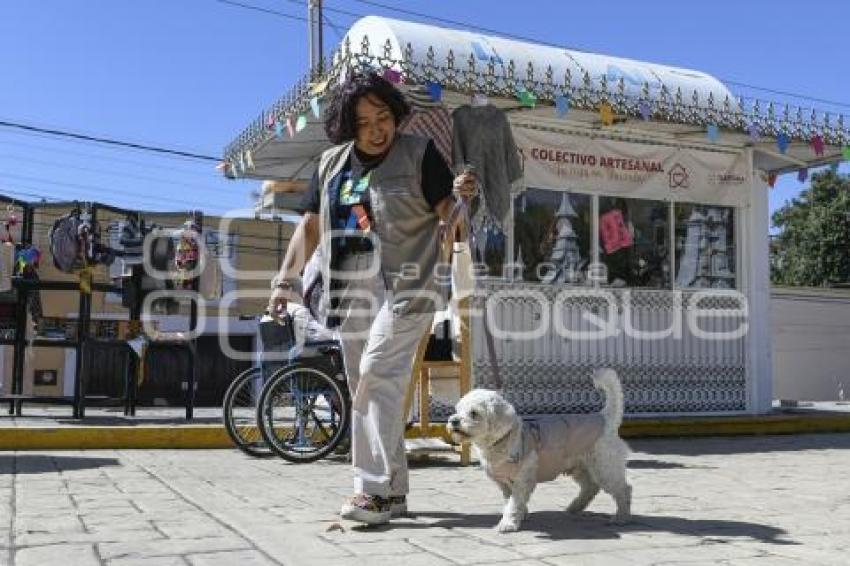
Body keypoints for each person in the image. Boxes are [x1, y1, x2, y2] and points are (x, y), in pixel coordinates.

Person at [268, 71, 474, 525]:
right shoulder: (329, 165)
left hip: (407, 289)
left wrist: (461, 203)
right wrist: (284, 282)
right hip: (349, 291)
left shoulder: (419, 154)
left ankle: (374, 491)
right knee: (370, 385)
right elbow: (309, 228)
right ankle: (393, 490)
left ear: (395, 114)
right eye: (364, 123)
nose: (377, 129)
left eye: (383, 117)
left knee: (376, 375)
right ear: (348, 125)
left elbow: (451, 219)